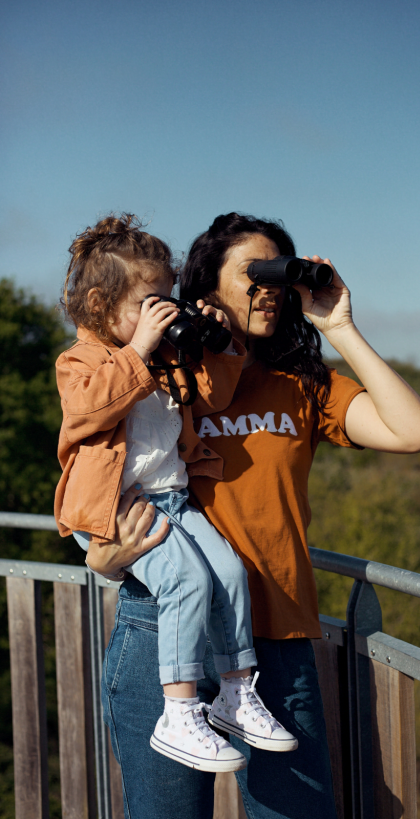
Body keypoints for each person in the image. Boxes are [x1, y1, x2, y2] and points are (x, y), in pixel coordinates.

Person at [84, 212, 420, 818]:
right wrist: (104, 558)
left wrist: (340, 326)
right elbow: (90, 465)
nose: (268, 290)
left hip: (276, 638)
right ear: (205, 289)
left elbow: (416, 432)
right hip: (166, 635)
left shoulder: (302, 386)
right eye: (253, 275)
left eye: (277, 276)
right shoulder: (157, 376)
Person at [55, 214, 297, 774]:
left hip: (172, 497)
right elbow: (85, 413)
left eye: (169, 298)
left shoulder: (164, 357)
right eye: (151, 302)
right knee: (187, 581)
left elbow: (210, 396)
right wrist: (138, 350)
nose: (163, 312)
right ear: (100, 305)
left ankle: (235, 693)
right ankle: (179, 711)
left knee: (230, 573)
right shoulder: (81, 361)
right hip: (118, 506)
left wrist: (220, 339)